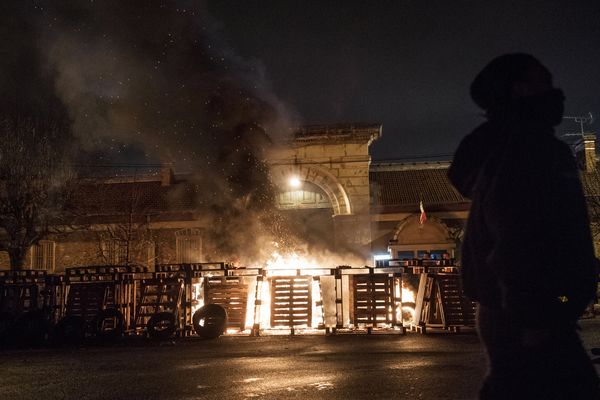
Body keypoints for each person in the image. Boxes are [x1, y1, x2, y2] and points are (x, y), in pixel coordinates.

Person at [448, 53, 599, 399]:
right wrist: (536, 318)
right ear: (520, 90)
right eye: (544, 82)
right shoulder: (533, 150)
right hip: (534, 311)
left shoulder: (501, 148)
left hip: (511, 309)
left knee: (509, 385)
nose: (555, 92)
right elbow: (519, 235)